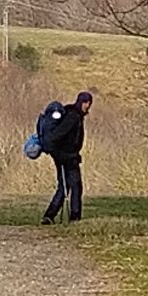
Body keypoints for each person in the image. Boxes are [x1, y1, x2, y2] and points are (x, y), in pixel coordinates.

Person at [40, 91, 93, 224]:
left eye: (88, 103)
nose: (87, 106)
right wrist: (61, 155)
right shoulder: (73, 116)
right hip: (67, 157)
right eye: (86, 102)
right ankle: (74, 217)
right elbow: (58, 135)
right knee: (75, 186)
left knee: (64, 187)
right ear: (81, 102)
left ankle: (49, 216)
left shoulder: (74, 114)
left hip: (67, 156)